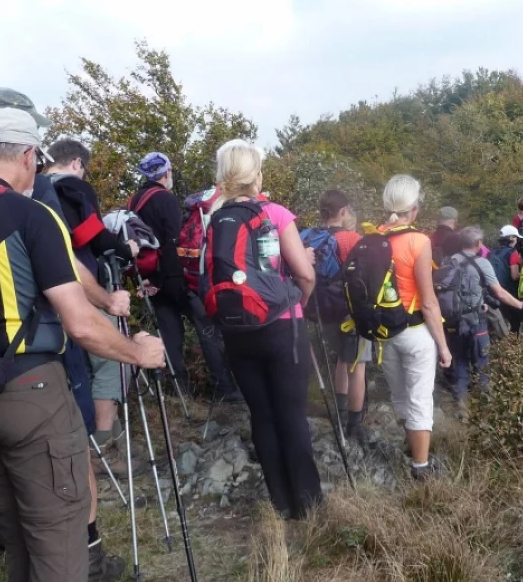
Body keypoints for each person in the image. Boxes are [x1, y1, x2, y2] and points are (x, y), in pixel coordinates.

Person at [0, 104, 165, 582]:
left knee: (19, 534)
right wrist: (138, 352)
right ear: (29, 155)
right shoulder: (30, 214)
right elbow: (80, 324)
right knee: (59, 537)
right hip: (28, 391)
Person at [205, 139, 321, 518]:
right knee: (291, 414)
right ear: (255, 173)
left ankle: (281, 505)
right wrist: (298, 303)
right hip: (281, 327)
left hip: (237, 331)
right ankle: (309, 505)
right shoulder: (276, 213)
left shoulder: (214, 218)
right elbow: (303, 273)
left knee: (262, 415)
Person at [45, 139, 140, 482]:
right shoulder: (73, 187)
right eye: (84, 167)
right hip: (81, 291)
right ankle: (104, 448)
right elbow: (93, 236)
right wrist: (126, 249)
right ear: (75, 162)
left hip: (45, 298)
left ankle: (74, 449)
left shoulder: (32, 192)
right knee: (112, 359)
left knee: (72, 371)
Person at [129, 152, 238, 401]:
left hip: (149, 279)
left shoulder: (134, 201)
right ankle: (224, 390)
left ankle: (180, 392)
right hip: (176, 280)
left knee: (170, 335)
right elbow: (172, 243)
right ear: (166, 173)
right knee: (207, 329)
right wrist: (169, 279)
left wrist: (149, 281)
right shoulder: (165, 199)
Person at [377, 174, 451, 481]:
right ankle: (421, 469)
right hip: (415, 331)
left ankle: (413, 450)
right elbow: (429, 302)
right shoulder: (419, 242)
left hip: (384, 333)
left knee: (401, 398)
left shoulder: (374, 237)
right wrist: (444, 347)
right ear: (415, 208)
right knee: (420, 398)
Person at [307, 190, 373, 444]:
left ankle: (340, 413)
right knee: (357, 365)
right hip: (349, 312)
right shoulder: (352, 239)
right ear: (344, 211)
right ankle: (353, 425)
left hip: (320, 311)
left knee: (341, 361)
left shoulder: (307, 236)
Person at [444, 226, 523, 416]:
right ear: (478, 244)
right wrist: (521, 305)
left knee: (460, 361)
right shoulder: (482, 263)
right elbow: (499, 292)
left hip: (453, 321)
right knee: (482, 361)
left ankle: (462, 405)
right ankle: (486, 405)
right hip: (476, 320)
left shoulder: (449, 261)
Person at [490, 225, 523, 334]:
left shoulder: (491, 252)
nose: (517, 240)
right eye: (516, 237)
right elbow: (514, 276)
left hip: (493, 292)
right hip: (509, 292)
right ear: (511, 238)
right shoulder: (513, 252)